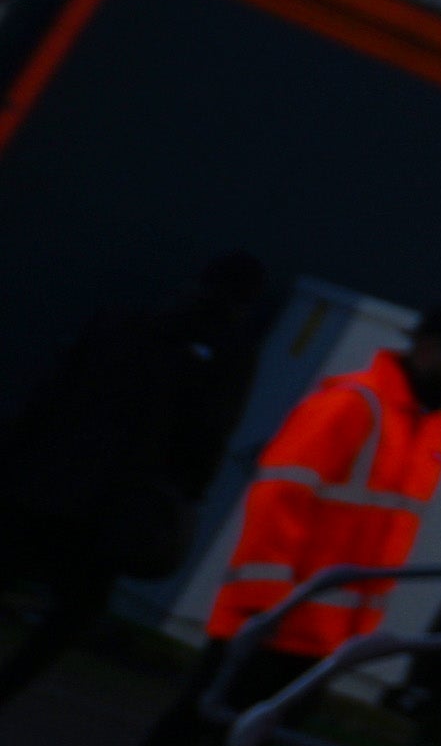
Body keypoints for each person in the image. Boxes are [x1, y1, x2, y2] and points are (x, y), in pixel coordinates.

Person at [76, 299, 441, 746]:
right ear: (432, 349)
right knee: (195, 731)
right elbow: (281, 496)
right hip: (275, 618)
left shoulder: (424, 424)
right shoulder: (356, 404)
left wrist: (354, 635)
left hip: (321, 633)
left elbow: (376, 530)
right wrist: (265, 605)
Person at [0, 251, 275, 708]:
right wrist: (187, 494)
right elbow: (207, 433)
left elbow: (53, 389)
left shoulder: (128, 321)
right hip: (113, 506)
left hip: (46, 480)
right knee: (73, 613)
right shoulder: (229, 351)